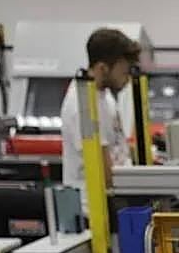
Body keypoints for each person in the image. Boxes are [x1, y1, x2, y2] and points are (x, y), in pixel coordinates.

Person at [59, 28, 139, 215]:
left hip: (111, 201)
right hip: (93, 211)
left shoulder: (104, 96)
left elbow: (116, 146)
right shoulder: (83, 105)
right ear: (103, 68)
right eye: (123, 72)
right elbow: (104, 170)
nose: (127, 80)